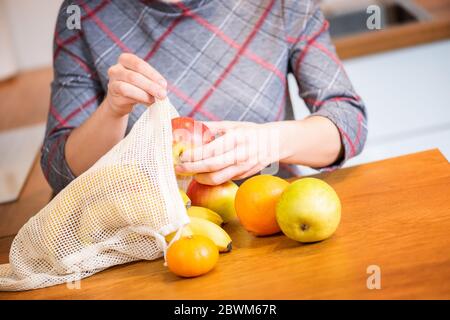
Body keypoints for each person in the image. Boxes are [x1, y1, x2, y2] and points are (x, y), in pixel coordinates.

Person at [42, 0, 367, 193]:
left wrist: (272, 140)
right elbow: (58, 170)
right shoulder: (84, 12)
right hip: (144, 236)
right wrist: (112, 111)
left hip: (267, 218)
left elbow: (348, 121)